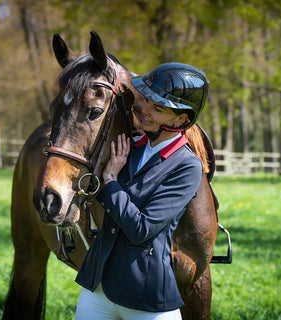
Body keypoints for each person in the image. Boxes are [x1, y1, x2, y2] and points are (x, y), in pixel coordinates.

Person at [74, 62, 209, 320]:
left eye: (157, 108)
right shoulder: (129, 146)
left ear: (180, 119)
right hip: (97, 287)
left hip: (145, 295)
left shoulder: (187, 167)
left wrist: (111, 180)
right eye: (146, 100)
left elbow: (142, 229)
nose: (143, 110)